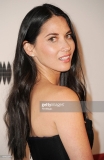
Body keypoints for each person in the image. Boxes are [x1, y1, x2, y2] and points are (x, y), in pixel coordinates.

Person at [4, 3, 94, 160]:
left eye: (68, 35)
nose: (67, 46)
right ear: (29, 48)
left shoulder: (26, 95)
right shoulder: (63, 98)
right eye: (53, 38)